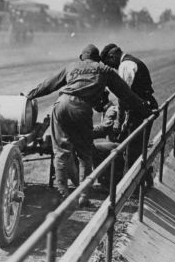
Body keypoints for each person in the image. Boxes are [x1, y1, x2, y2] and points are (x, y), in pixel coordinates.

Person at [26, 44, 152, 206]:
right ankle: (83, 197)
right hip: (81, 108)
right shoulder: (104, 70)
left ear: (82, 57)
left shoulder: (71, 66)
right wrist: (145, 110)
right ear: (97, 58)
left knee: (60, 151)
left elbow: (47, 85)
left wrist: (29, 96)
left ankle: (62, 192)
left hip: (61, 104)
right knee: (84, 154)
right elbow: (126, 95)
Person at [100, 44, 157, 186]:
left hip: (139, 111)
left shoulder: (125, 65)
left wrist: (120, 122)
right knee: (137, 148)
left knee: (132, 151)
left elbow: (123, 96)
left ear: (112, 56)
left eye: (109, 63)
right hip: (146, 107)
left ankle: (132, 187)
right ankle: (143, 180)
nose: (111, 67)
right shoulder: (132, 61)